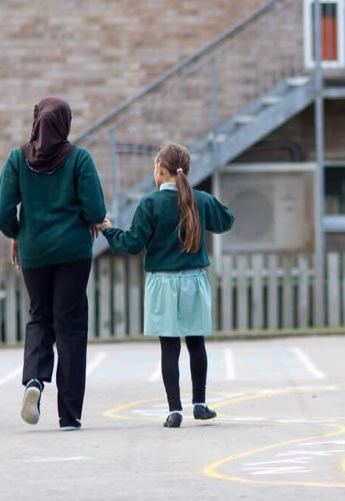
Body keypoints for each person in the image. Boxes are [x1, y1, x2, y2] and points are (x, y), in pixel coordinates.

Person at [99, 143, 234, 428]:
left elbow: (132, 243)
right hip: (194, 281)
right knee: (196, 343)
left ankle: (175, 410)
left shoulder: (150, 204)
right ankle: (200, 403)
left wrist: (108, 230)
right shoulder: (200, 200)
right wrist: (206, 200)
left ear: (160, 170)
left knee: (169, 348)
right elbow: (227, 221)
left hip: (162, 283)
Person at [0, 97, 107, 431]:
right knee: (70, 328)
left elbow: (1, 213)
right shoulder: (79, 159)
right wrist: (89, 218)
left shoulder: (17, 158)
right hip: (73, 253)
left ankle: (34, 381)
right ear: (65, 124)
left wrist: (18, 233)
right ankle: (69, 415)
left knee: (40, 316)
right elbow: (96, 211)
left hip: (34, 254)